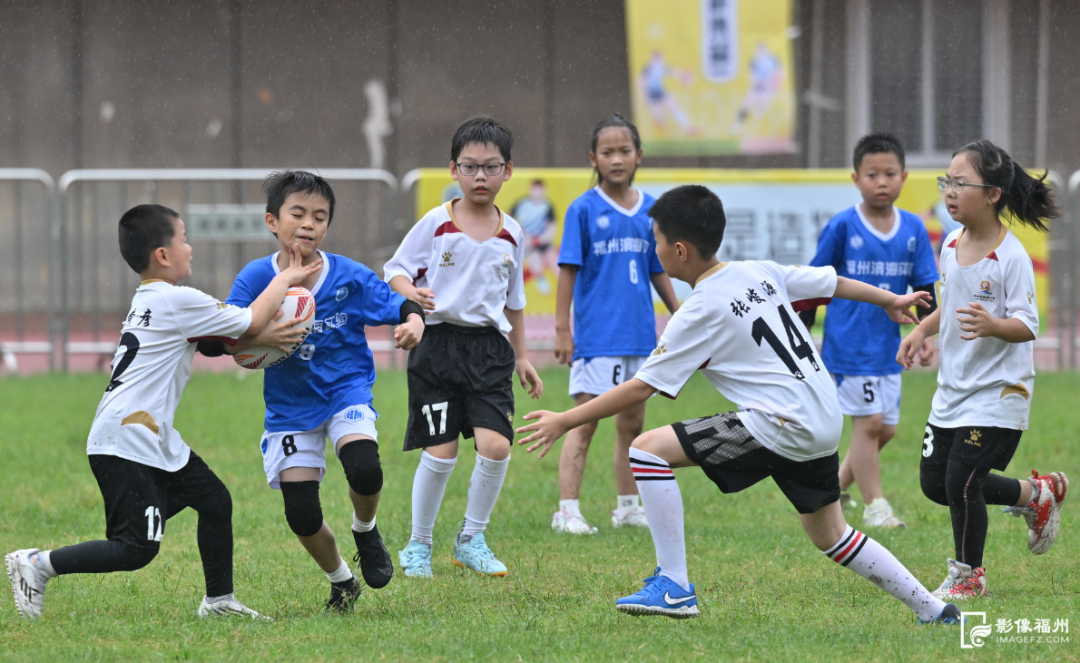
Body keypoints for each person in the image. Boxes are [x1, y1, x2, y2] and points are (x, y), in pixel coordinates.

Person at [518, 185, 960, 625]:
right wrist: (890, 299)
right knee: (831, 534)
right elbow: (831, 281)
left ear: (679, 250)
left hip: (782, 422)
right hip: (823, 417)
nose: (654, 250)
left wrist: (565, 419)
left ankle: (673, 585)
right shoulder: (757, 270)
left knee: (647, 451)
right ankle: (934, 609)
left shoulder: (699, 310)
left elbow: (639, 389)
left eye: (656, 241)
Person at [5, 204, 319, 620]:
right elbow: (249, 321)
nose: (190, 247)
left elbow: (219, 341)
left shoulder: (152, 299)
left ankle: (219, 602)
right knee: (135, 548)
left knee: (214, 500)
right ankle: (37, 563)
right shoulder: (177, 299)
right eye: (184, 239)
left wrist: (260, 337)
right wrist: (287, 278)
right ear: (163, 255)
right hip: (128, 438)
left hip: (148, 435)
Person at [209, 171, 426, 613]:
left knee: (364, 469)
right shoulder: (256, 277)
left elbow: (399, 303)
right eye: (298, 213)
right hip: (290, 408)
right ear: (272, 221)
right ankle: (342, 581)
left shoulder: (347, 275)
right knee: (302, 514)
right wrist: (263, 338)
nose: (309, 223)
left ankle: (365, 529)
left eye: (320, 216)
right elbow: (220, 340)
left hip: (346, 391)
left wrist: (415, 320)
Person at [898, 140, 1069, 600]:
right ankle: (1034, 494)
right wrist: (923, 330)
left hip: (1000, 392)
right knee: (936, 484)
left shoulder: (1011, 257)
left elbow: (1027, 325)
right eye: (946, 181)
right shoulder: (951, 244)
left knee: (961, 482)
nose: (949, 191)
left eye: (960, 183)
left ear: (993, 194)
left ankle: (969, 576)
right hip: (953, 389)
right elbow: (951, 302)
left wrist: (994, 325)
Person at [385, 117, 543, 578]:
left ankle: (471, 539)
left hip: (490, 352)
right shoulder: (436, 223)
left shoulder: (513, 233)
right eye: (469, 166)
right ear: (453, 169)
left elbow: (514, 302)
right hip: (437, 348)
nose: (480, 176)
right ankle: (419, 544)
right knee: (442, 452)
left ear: (508, 171)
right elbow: (395, 270)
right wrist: (412, 295)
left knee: (496, 446)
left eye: (491, 167)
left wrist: (522, 356)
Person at [799, 134, 939, 528]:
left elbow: (925, 287)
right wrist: (803, 334)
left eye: (890, 174)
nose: (881, 182)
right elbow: (813, 282)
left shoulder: (913, 228)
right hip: (848, 345)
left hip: (889, 348)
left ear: (904, 177)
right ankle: (877, 507)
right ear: (855, 178)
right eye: (872, 174)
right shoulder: (842, 226)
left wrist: (926, 335)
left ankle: (831, 490)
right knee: (870, 425)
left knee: (886, 430)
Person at [552, 114, 679, 534]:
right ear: (594, 158)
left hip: (639, 335)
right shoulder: (583, 209)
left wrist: (678, 312)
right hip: (597, 337)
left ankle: (627, 507)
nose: (617, 159)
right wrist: (562, 329)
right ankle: (567, 511)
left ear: (639, 155)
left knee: (633, 424)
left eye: (625, 151)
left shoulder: (652, 210)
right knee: (583, 421)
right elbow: (568, 270)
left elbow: (657, 268)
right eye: (608, 152)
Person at [511, 180, 559, 296]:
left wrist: (541, 239)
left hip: (543, 241)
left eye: (539, 189)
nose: (537, 192)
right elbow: (509, 219)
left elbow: (552, 227)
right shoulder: (521, 204)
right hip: (528, 242)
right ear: (530, 189)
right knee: (534, 260)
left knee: (555, 263)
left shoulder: (547, 206)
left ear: (544, 190)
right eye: (535, 189)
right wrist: (522, 235)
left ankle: (567, 292)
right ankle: (541, 280)